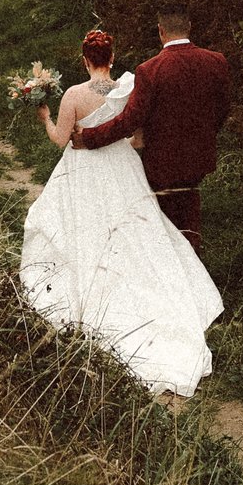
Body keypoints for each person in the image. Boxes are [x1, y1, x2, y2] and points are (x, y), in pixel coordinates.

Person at [21, 28, 222, 399]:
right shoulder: (128, 90)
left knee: (80, 227)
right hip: (122, 166)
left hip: (82, 170)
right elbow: (139, 139)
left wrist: (45, 118)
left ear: (85, 60)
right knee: (136, 230)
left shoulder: (73, 95)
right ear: (112, 58)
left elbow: (61, 139)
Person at [68, 8, 229, 252]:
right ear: (189, 27)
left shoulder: (151, 69)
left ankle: (176, 266)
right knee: (190, 208)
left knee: (164, 221)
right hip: (199, 155)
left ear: (161, 31)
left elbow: (129, 121)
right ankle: (193, 261)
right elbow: (222, 108)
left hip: (162, 160)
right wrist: (204, 134)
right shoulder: (216, 61)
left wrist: (89, 138)